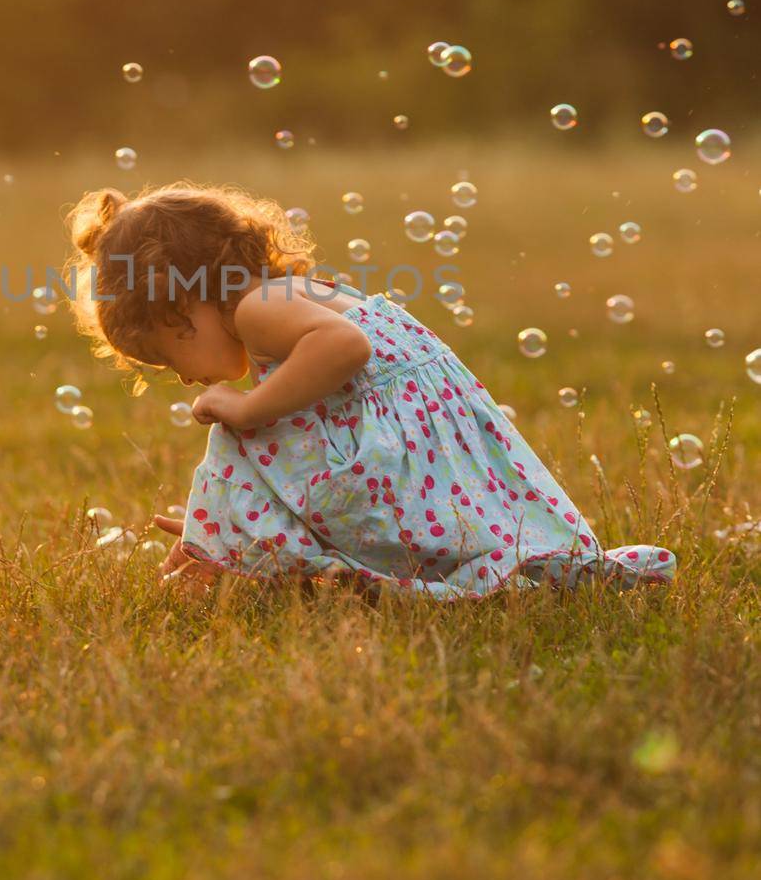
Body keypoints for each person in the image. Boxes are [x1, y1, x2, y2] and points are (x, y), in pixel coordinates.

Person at [63, 181, 676, 600]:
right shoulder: (283, 294)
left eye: (168, 357)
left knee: (242, 425)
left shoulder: (256, 308)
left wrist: (247, 408)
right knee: (256, 429)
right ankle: (231, 541)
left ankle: (231, 545)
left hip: (402, 451)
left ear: (184, 305)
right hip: (429, 451)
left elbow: (346, 348)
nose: (184, 378)